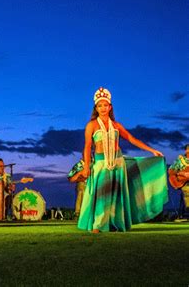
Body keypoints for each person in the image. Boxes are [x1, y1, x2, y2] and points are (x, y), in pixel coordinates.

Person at [78, 87, 167, 233]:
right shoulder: (92, 125)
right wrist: (86, 166)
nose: (103, 108)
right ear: (96, 107)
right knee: (102, 193)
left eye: (105, 105)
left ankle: (115, 223)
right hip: (101, 164)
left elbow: (131, 138)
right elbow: (87, 147)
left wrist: (152, 150)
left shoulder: (116, 126)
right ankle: (99, 225)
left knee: (116, 194)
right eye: (100, 105)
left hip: (118, 163)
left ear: (110, 107)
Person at [168, 144, 189, 219]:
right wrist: (182, 173)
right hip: (182, 181)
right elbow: (171, 171)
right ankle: (185, 214)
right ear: (186, 150)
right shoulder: (180, 160)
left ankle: (183, 214)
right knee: (186, 191)